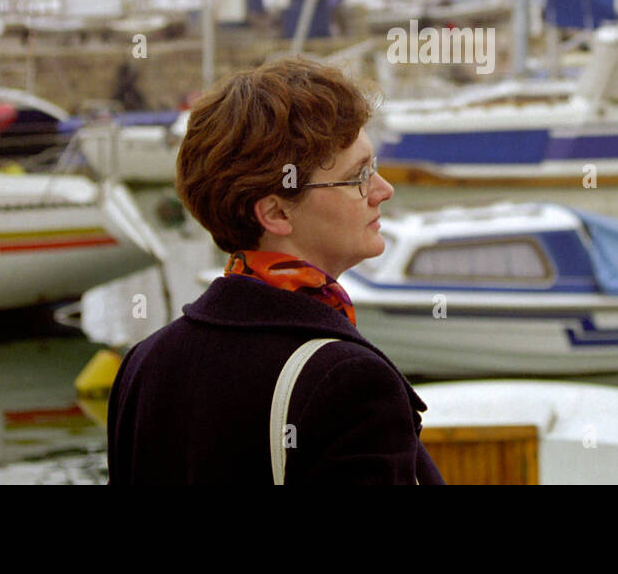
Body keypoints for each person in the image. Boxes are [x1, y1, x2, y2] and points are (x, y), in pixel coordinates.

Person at [107, 57, 444, 484]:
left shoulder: (144, 364)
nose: (383, 190)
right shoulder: (348, 382)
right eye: (358, 176)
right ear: (276, 212)